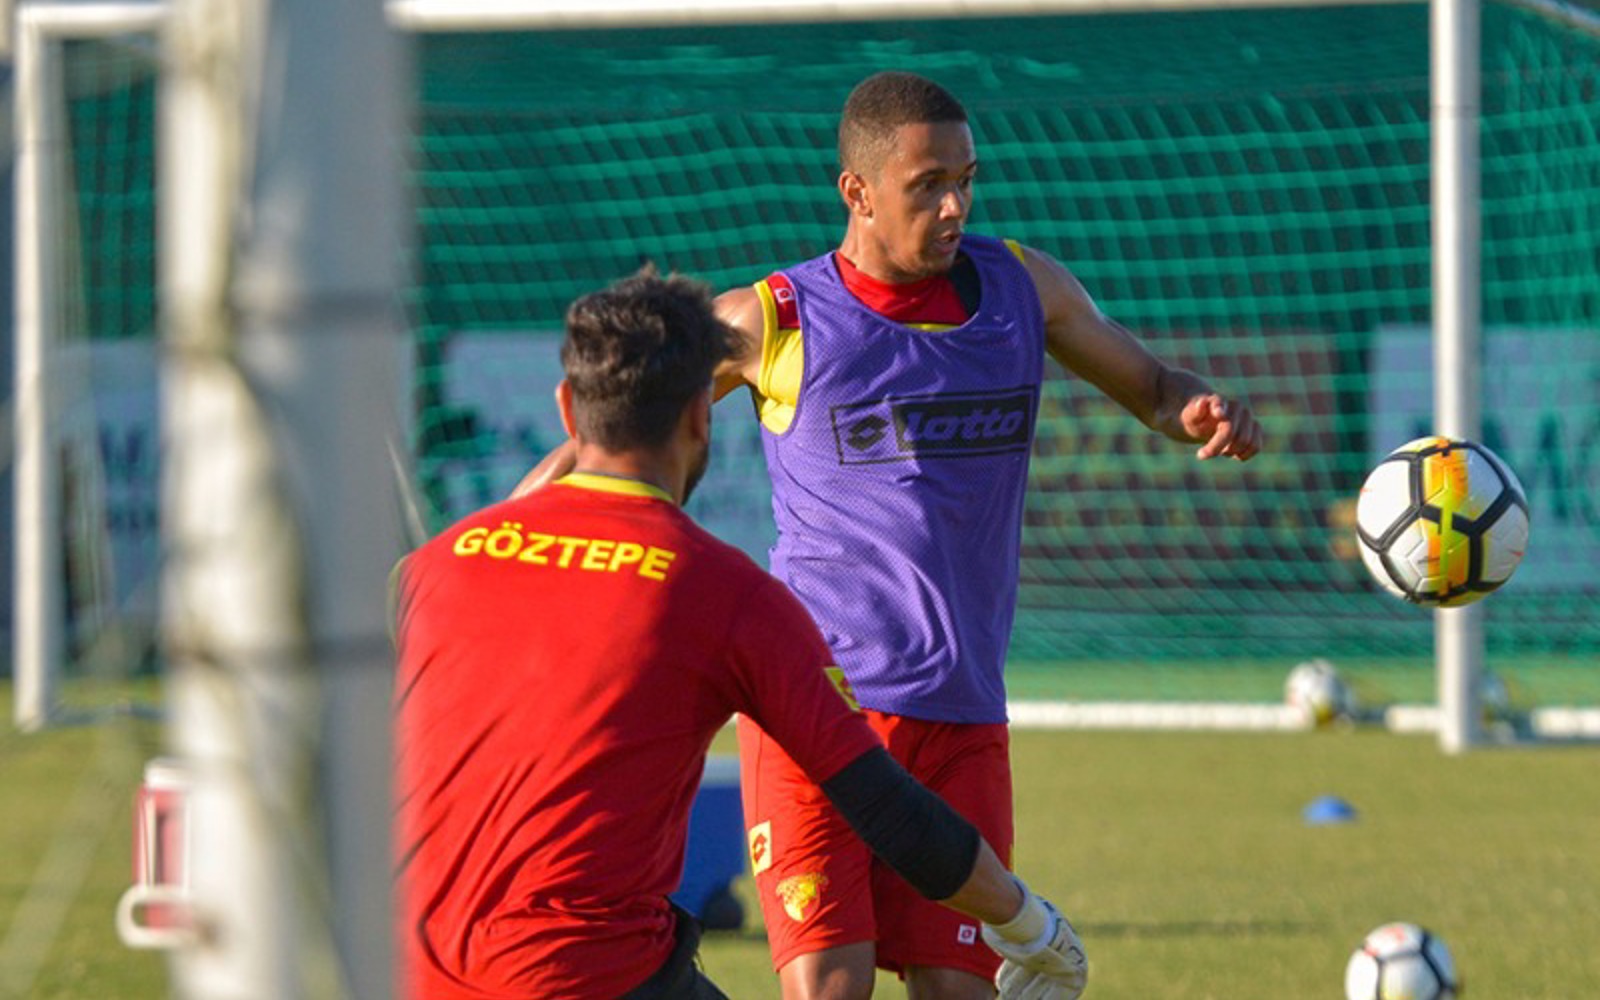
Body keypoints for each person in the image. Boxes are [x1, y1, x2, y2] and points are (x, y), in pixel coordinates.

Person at [519, 71, 1263, 1000]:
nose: (955, 206)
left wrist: (1198, 408)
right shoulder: (774, 319)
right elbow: (609, 439)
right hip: (816, 709)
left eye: (966, 180)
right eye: (928, 185)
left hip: (963, 716)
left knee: (959, 990)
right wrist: (490, 550)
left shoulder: (1024, 287)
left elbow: (1152, 389)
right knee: (834, 987)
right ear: (858, 192)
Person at [395, 270, 1088, 1000]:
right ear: (703, 417)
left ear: (568, 409)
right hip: (589, 976)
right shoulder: (729, 596)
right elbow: (886, 807)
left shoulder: (434, 569)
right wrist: (1029, 925)